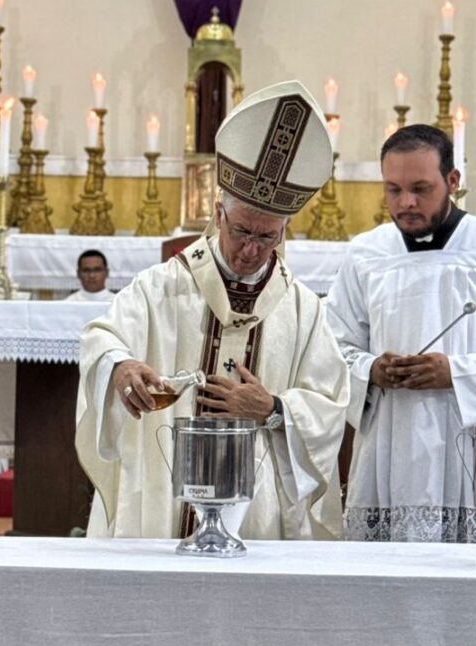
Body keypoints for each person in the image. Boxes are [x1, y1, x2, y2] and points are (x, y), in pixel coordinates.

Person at [76, 81, 350, 540]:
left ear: (285, 230)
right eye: (242, 231)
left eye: (267, 237)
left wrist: (274, 408)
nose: (250, 249)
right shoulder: (163, 286)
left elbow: (330, 403)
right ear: (218, 214)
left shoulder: (302, 309)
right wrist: (121, 366)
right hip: (165, 497)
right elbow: (100, 336)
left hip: (260, 506)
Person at [327, 124, 476, 543]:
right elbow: (331, 348)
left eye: (421, 188)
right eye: (393, 190)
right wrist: (372, 369)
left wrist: (457, 372)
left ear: (453, 181)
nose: (406, 203)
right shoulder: (366, 253)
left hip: (471, 449)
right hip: (389, 444)